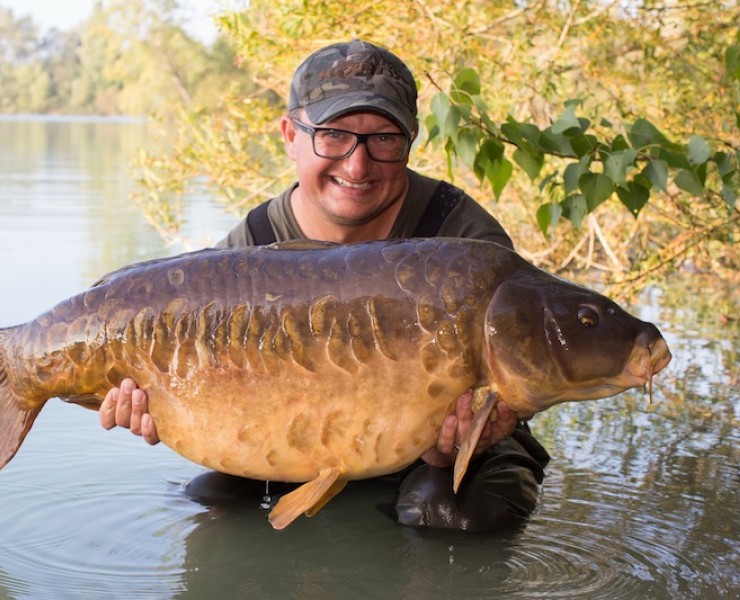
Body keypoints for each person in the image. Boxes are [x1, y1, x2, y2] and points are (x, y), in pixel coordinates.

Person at [99, 40, 550, 530]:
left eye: (384, 138)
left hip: (449, 446)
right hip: (304, 431)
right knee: (215, 499)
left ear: (412, 140)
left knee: (449, 512)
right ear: (291, 135)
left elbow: (520, 379)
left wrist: (461, 442)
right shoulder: (253, 244)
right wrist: (161, 404)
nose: (357, 166)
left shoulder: (463, 241)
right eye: (333, 135)